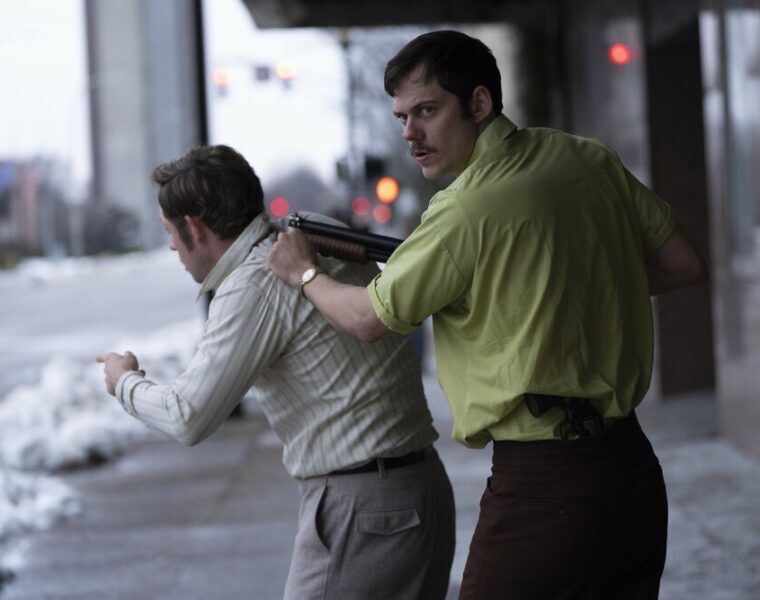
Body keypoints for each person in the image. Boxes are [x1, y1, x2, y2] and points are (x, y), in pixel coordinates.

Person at [267, 30, 709, 599]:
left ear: (479, 103)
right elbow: (683, 263)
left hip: (544, 484)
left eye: (427, 111)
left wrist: (304, 274)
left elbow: (366, 319)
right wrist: (571, 286)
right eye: (402, 117)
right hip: (633, 469)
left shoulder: (464, 211)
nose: (410, 134)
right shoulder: (587, 157)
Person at [95, 144, 455, 600]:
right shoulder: (310, 233)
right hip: (418, 488)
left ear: (194, 227)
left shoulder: (253, 283)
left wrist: (123, 382)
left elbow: (187, 415)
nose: (171, 246)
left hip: (364, 510)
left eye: (170, 231)